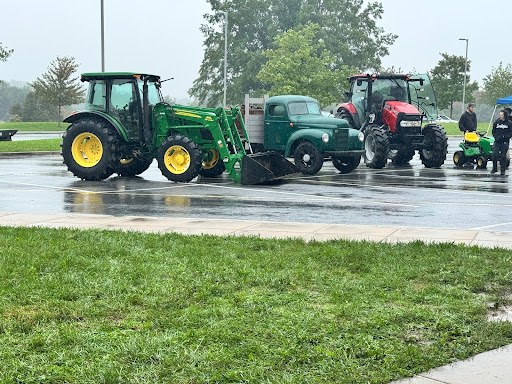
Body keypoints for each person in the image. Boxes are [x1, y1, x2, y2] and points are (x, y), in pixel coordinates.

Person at [491, 110, 512, 175]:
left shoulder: (509, 123)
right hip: (497, 141)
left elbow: (510, 132)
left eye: (501, 115)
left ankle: (503, 170)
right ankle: (494, 168)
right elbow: (493, 130)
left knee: (503, 156)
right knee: (494, 154)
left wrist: (505, 137)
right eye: (500, 115)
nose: (500, 116)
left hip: (505, 142)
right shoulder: (497, 122)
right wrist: (495, 137)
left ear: (505, 115)